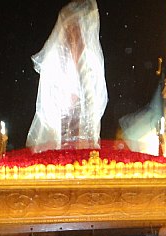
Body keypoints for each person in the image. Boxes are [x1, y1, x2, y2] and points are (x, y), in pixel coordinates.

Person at [26, 0, 107, 152]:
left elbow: (90, 95)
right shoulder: (56, 60)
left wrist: (89, 130)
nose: (74, 32)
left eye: (77, 27)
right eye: (70, 27)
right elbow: (54, 98)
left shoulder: (88, 59)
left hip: (84, 135)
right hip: (63, 129)